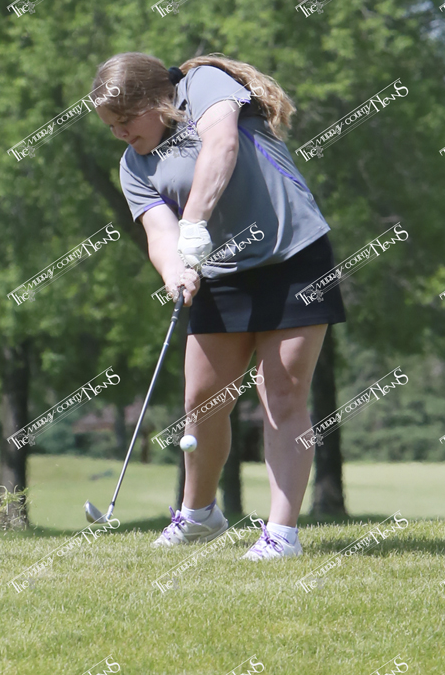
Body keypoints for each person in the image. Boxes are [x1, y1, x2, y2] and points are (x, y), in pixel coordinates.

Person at [92, 52, 346, 559]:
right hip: (220, 272)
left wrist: (193, 223)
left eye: (125, 121)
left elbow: (222, 144)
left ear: (155, 101)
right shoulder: (134, 165)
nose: (119, 134)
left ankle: (282, 534)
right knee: (202, 400)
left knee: (282, 394)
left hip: (292, 255)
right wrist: (175, 271)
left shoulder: (204, 84)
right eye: (110, 126)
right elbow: (159, 234)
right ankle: (199, 515)